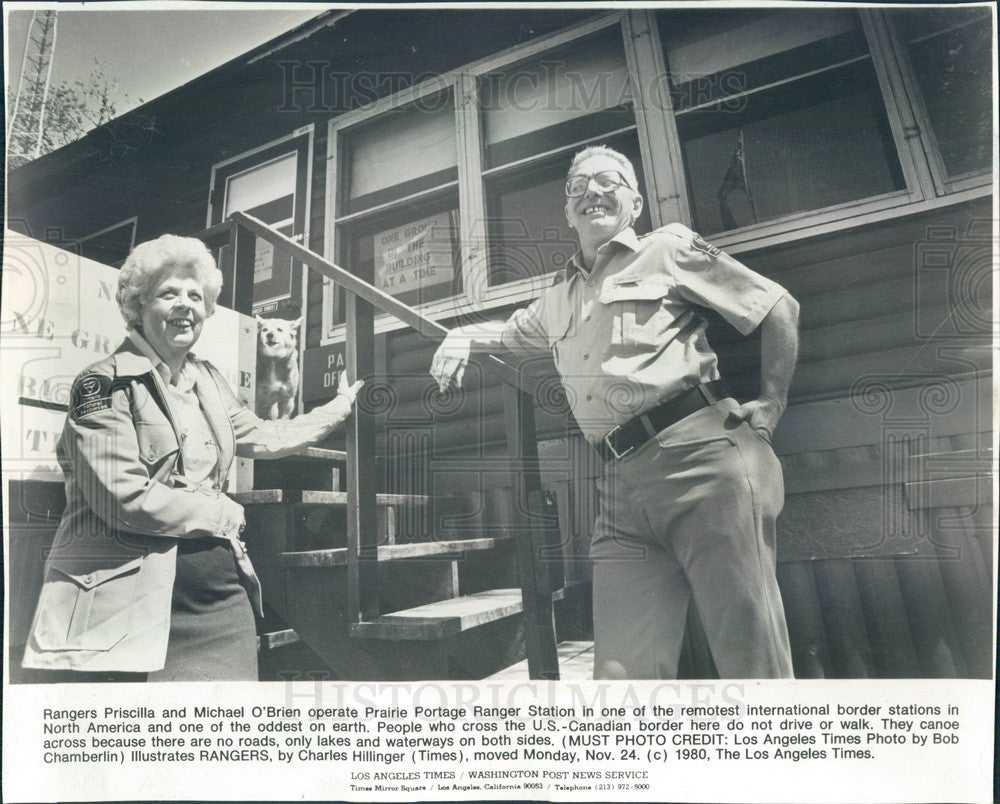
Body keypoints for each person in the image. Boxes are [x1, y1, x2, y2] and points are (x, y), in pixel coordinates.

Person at [431, 145, 799, 679]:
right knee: (621, 677)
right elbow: (509, 334)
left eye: (607, 182)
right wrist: (460, 335)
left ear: (635, 201)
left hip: (704, 458)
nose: (591, 194)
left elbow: (777, 306)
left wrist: (771, 404)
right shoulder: (558, 297)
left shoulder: (666, 247)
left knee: (751, 656)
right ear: (566, 212)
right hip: (620, 486)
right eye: (577, 188)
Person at [22, 234, 363, 682]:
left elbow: (264, 436)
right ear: (138, 306)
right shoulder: (102, 383)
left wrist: (335, 409)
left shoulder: (207, 380)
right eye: (169, 293)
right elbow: (122, 498)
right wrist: (220, 511)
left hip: (221, 599)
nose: (185, 305)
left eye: (195, 296)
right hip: (127, 603)